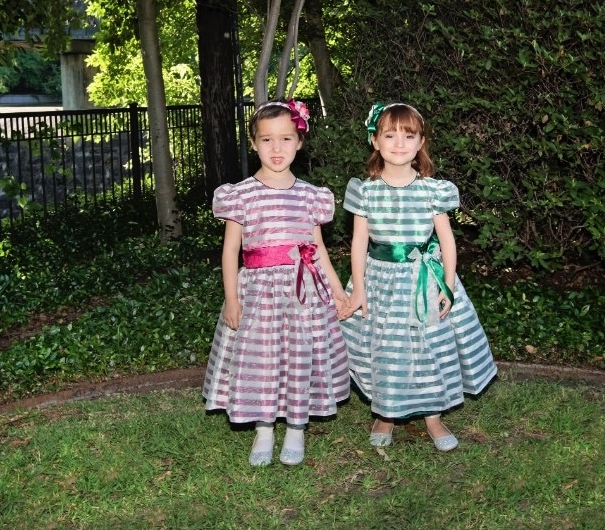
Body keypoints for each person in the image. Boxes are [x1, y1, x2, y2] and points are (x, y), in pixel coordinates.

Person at [338, 102, 497, 452]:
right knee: (386, 348)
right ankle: (386, 414)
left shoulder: (432, 189)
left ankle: (433, 416)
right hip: (380, 282)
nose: (399, 143)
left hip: (424, 281)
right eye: (389, 135)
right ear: (375, 141)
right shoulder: (365, 190)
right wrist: (359, 288)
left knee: (429, 348)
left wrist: (449, 285)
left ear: (421, 141)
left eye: (408, 135)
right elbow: (359, 242)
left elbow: (446, 240)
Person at [202, 99, 350, 467]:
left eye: (286, 139)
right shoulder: (240, 194)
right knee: (261, 358)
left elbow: (316, 250)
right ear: (253, 143)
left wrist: (337, 291)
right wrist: (232, 300)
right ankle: (264, 427)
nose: (277, 148)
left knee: (299, 356)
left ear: (300, 142)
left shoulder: (311, 195)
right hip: (258, 294)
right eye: (267, 140)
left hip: (304, 294)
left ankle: (297, 427)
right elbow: (229, 252)